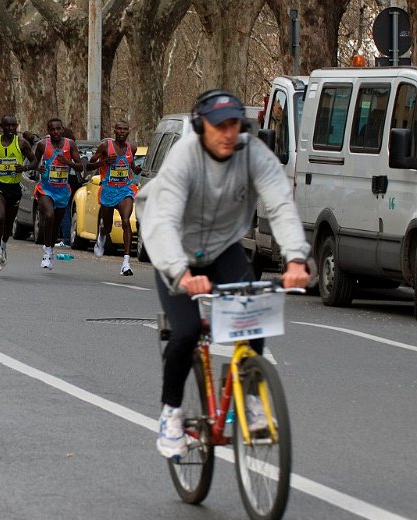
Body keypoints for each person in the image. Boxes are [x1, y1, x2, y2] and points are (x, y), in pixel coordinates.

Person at [138, 89, 311, 459]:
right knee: (185, 331)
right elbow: (164, 220)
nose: (228, 133)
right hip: (175, 251)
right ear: (201, 127)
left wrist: (296, 260)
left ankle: (251, 399)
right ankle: (171, 413)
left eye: (234, 125)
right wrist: (182, 274)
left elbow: (280, 204)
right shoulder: (184, 157)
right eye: (219, 126)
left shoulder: (252, 154)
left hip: (222, 247)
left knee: (254, 316)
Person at [86, 120, 143, 276]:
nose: (122, 131)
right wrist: (104, 162)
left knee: (126, 222)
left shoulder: (132, 148)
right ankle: (102, 235)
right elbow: (89, 165)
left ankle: (126, 263)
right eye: (119, 129)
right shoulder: (105, 146)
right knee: (108, 226)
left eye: (125, 129)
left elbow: (130, 164)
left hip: (125, 189)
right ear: (115, 131)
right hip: (109, 189)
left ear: (128, 132)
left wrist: (136, 169)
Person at [0, 115, 37, 271]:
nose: (11, 129)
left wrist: (25, 168)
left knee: (9, 221)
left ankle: (4, 245)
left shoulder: (22, 143)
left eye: (14, 126)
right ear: (1, 126)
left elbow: (34, 161)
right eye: (8, 126)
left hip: (14, 187)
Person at [33, 118, 83, 269]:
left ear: (62, 129)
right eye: (52, 129)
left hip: (62, 190)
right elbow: (35, 162)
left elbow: (80, 167)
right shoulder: (43, 145)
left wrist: (67, 162)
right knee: (49, 215)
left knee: (56, 225)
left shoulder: (70, 145)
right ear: (48, 132)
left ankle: (50, 247)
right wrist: (38, 168)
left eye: (58, 129)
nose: (56, 132)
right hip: (46, 188)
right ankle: (47, 252)